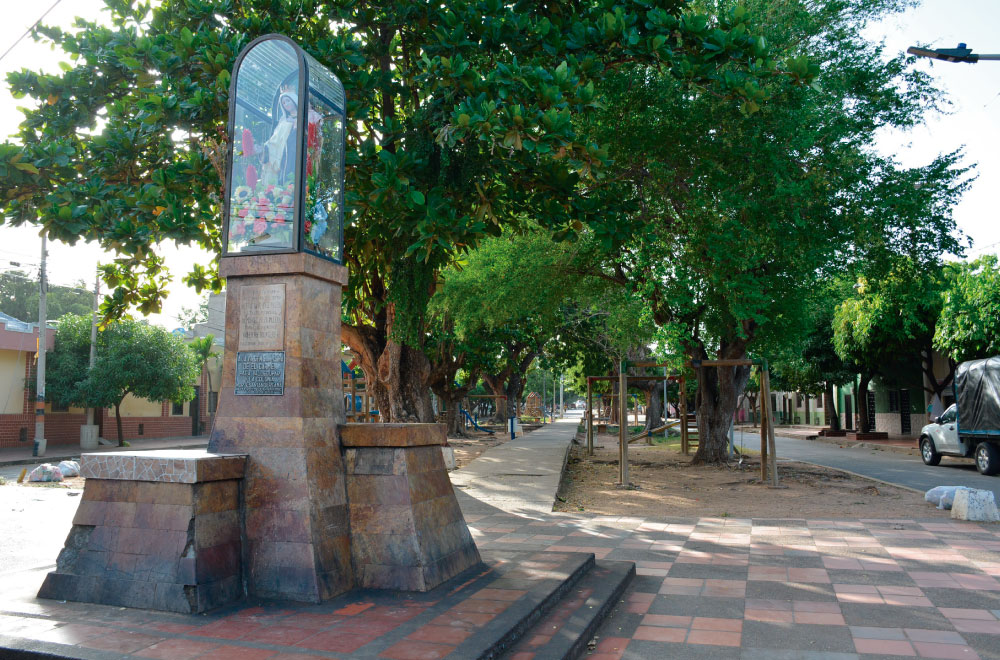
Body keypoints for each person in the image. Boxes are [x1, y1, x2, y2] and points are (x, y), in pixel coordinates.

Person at [259, 92, 298, 186]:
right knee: (282, 174)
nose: (286, 104)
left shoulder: (303, 117)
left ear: (294, 100)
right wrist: (268, 146)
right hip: (282, 150)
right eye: (284, 103)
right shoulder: (283, 119)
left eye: (288, 101)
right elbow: (276, 136)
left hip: (294, 150)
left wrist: (294, 124)